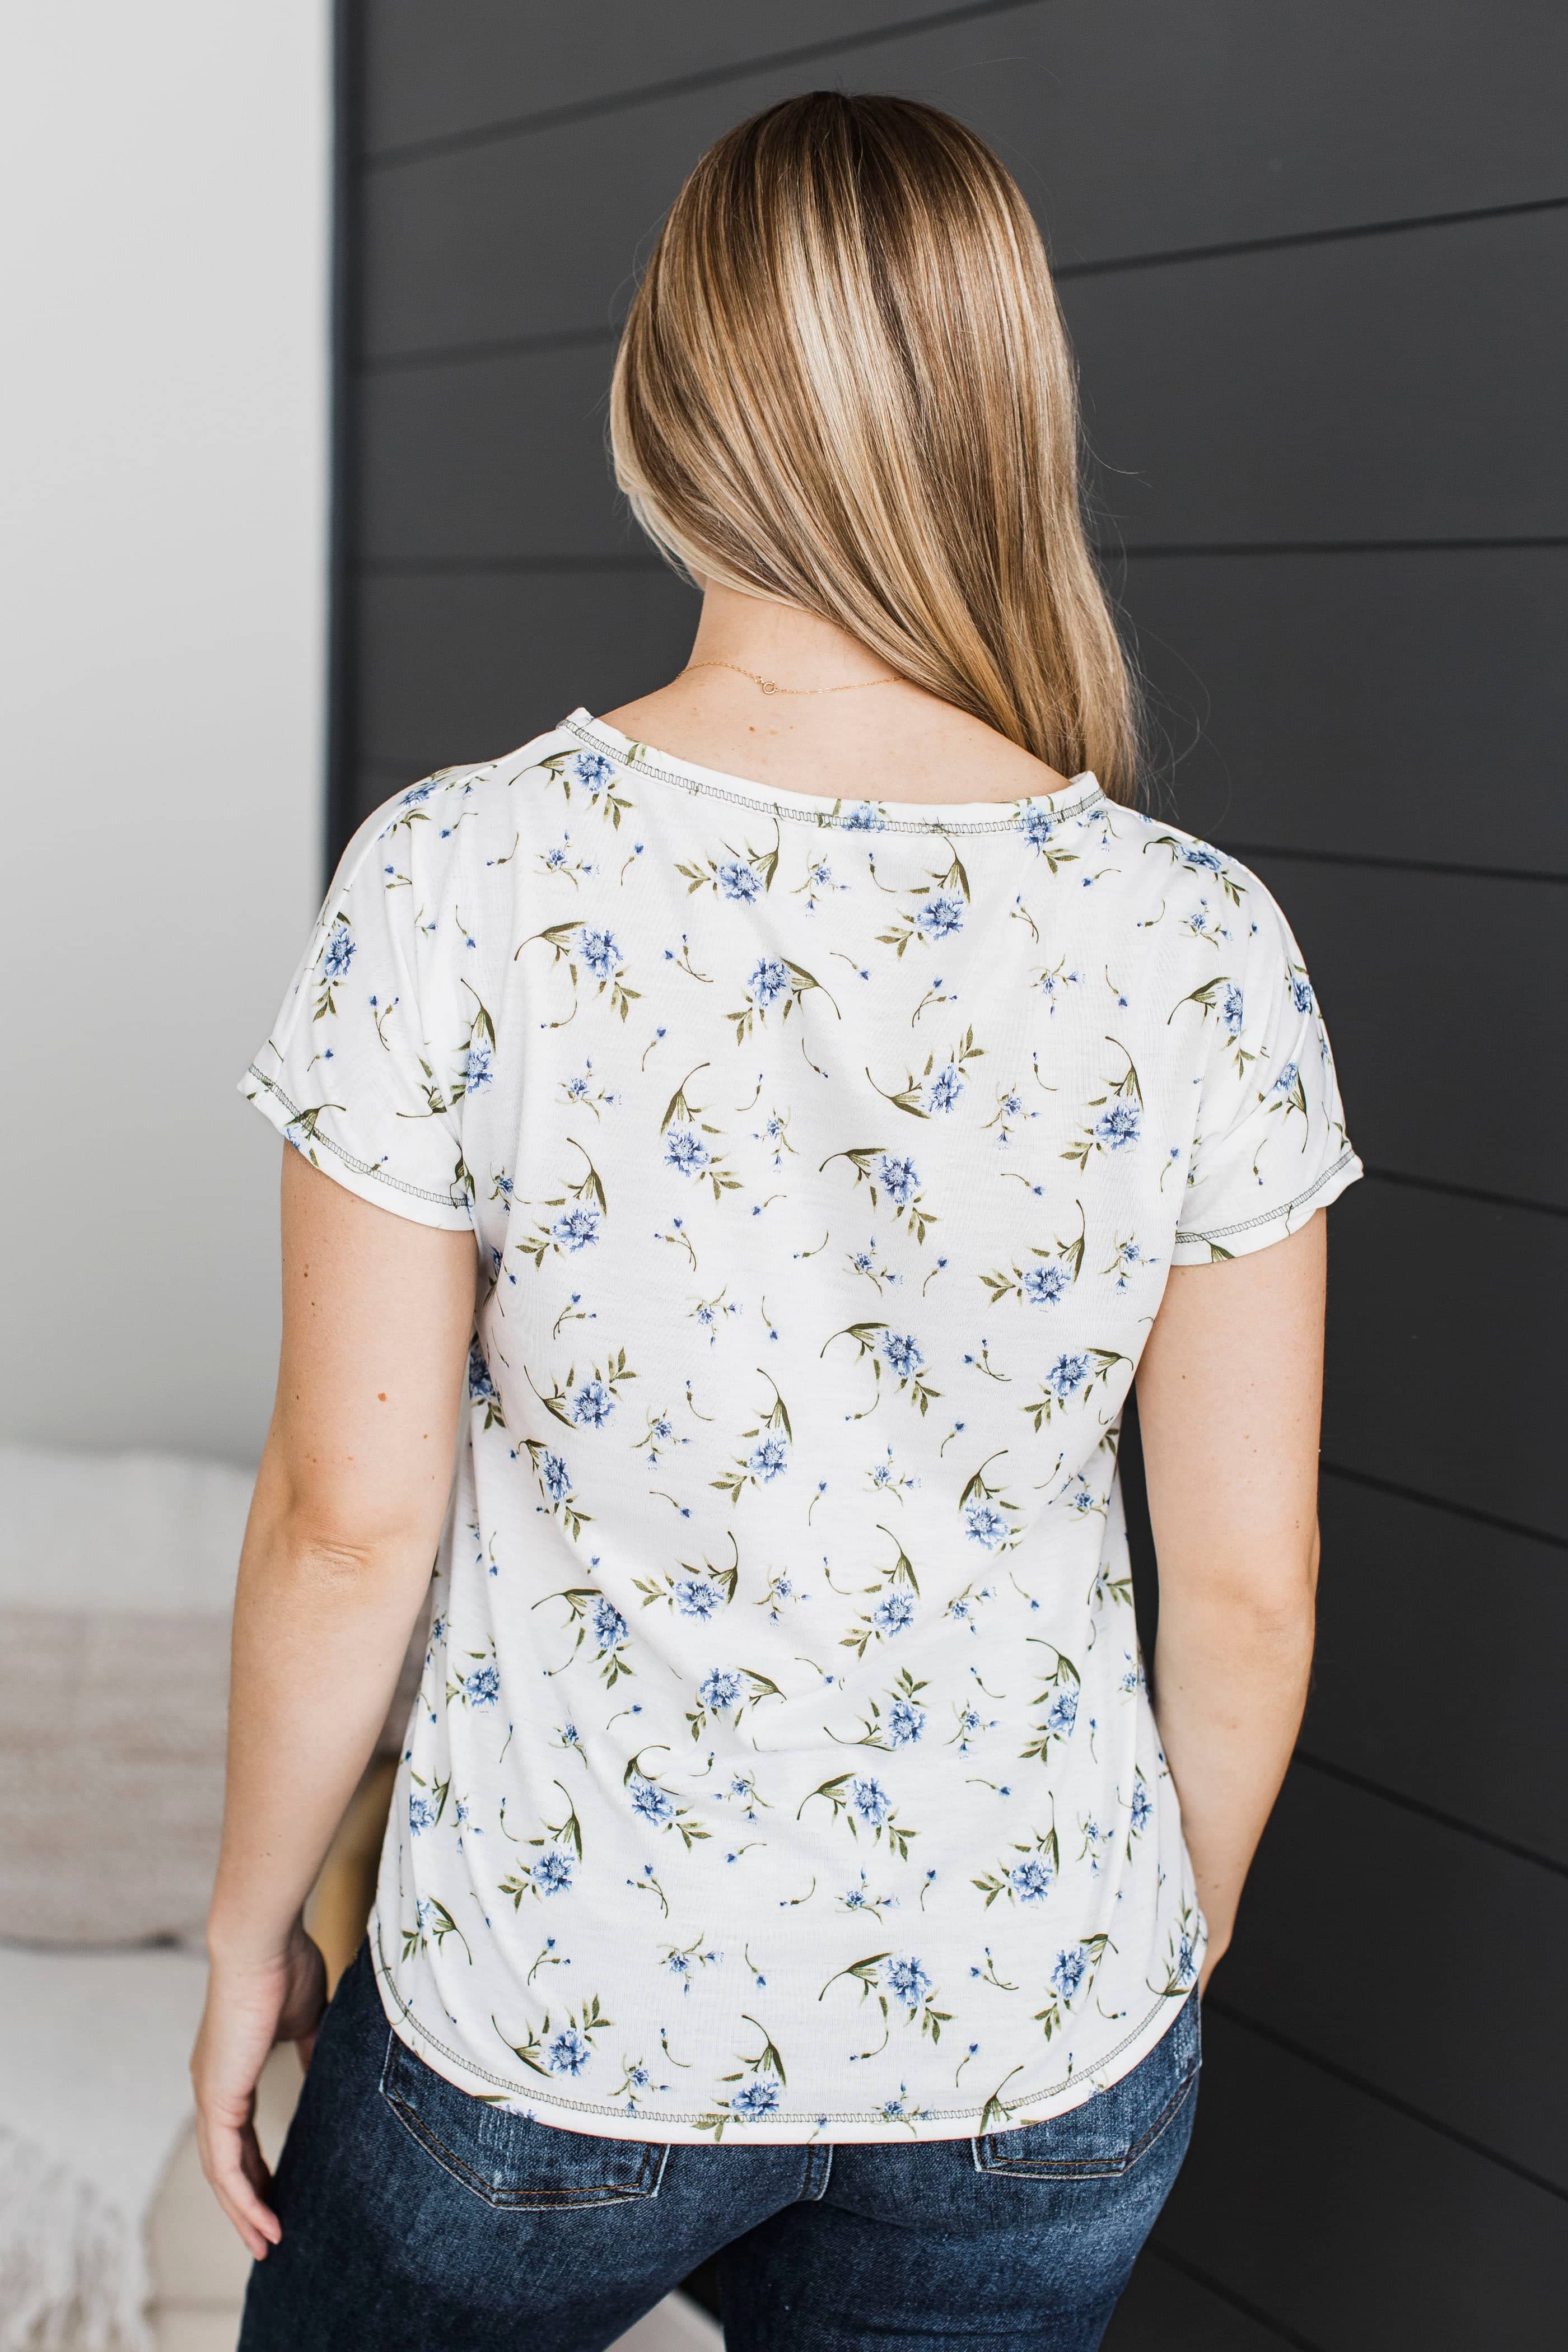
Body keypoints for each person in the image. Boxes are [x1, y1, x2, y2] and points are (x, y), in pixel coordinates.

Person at [194, 91, 1359, 2352]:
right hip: (1032, 2029)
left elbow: (349, 1521)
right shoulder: (1195, 936)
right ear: (1006, 415)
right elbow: (1249, 1583)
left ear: (665, 400)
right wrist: (1147, 1952)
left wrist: (252, 1932)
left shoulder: (461, 874)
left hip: (554, 2012)